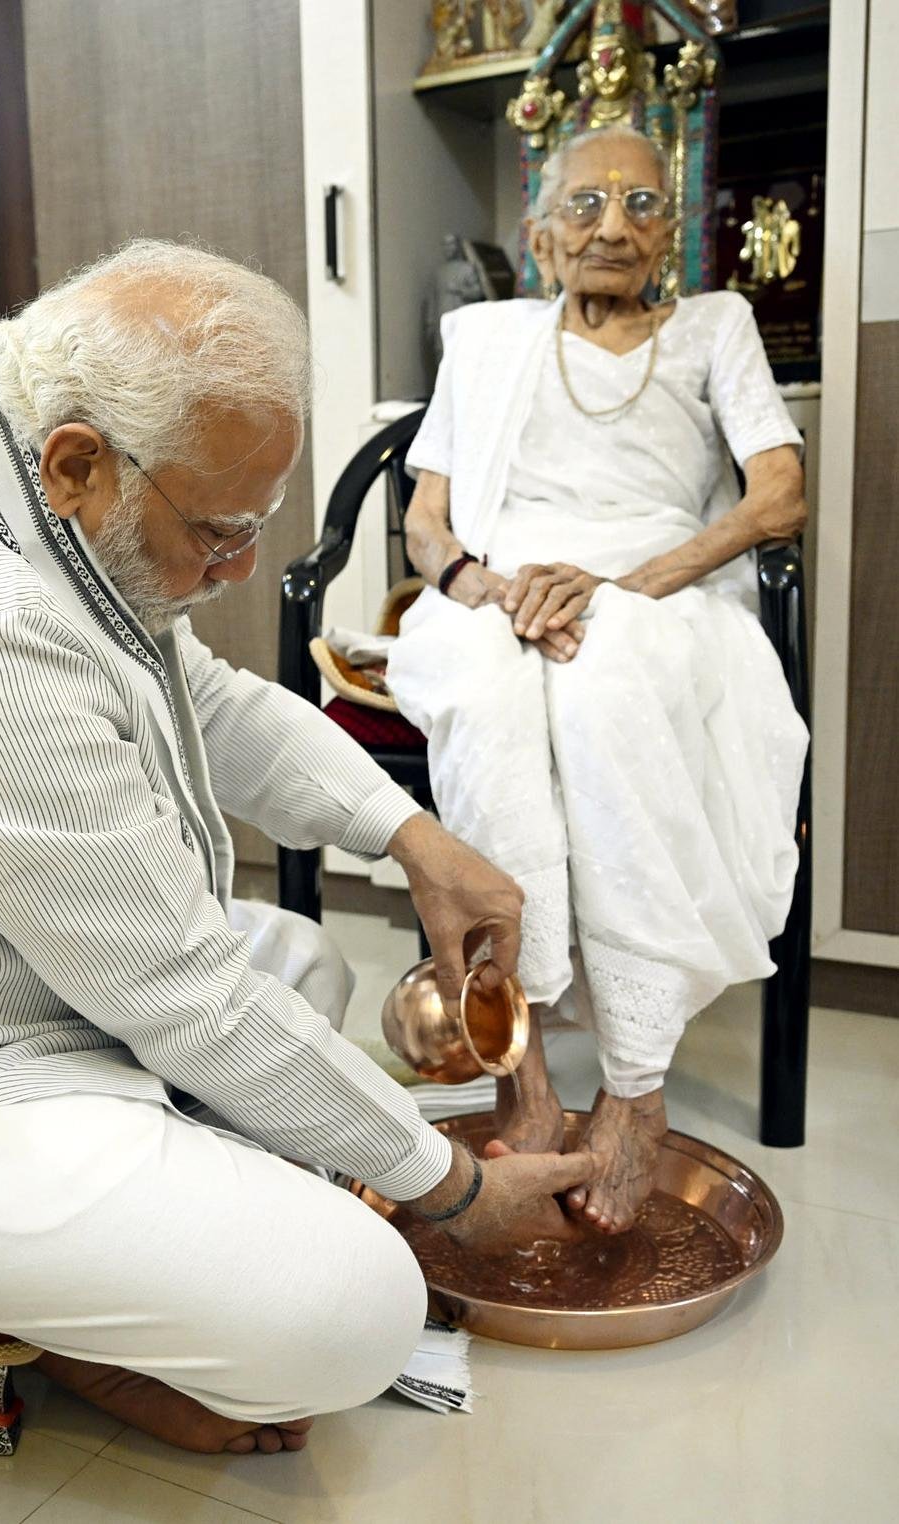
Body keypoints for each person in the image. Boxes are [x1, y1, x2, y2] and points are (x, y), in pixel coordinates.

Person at [0, 240, 591, 1456]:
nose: (241, 566)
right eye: (223, 528)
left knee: (296, 962)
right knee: (356, 1307)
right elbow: (184, 998)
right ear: (79, 461)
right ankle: (46, 1314)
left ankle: (90, 1291)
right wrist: (454, 1193)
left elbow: (210, 701)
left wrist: (412, 839)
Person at [387, 125, 809, 1235]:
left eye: (638, 203)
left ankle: (634, 1076)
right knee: (484, 700)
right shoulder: (485, 339)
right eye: (584, 205)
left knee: (601, 690)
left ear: (671, 226)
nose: (611, 226)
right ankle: (517, 1062)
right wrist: (482, 585)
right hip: (500, 585)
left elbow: (777, 500)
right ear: (537, 233)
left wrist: (619, 586)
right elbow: (425, 522)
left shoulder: (716, 326)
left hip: (653, 591)